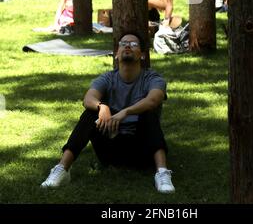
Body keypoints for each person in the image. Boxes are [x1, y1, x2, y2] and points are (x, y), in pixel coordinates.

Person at [40, 32, 175, 194]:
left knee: (149, 112)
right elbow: (88, 98)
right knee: (90, 113)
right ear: (117, 54)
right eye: (123, 43)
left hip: (142, 149)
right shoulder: (107, 78)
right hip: (110, 149)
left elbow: (154, 99)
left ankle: (162, 173)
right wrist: (101, 107)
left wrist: (125, 112)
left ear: (143, 55)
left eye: (133, 45)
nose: (127, 46)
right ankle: (62, 169)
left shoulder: (152, 78)